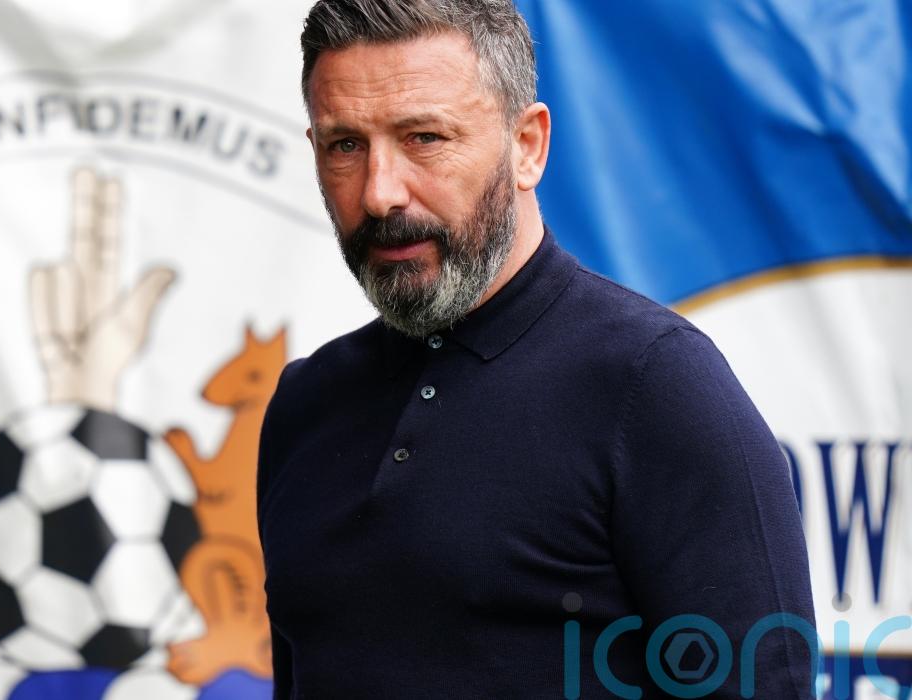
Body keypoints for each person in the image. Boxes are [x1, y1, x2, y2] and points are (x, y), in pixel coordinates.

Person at [257, 0, 816, 697]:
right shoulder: (305, 404)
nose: (380, 193)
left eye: (424, 137)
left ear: (528, 146)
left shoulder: (655, 385)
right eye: (345, 146)